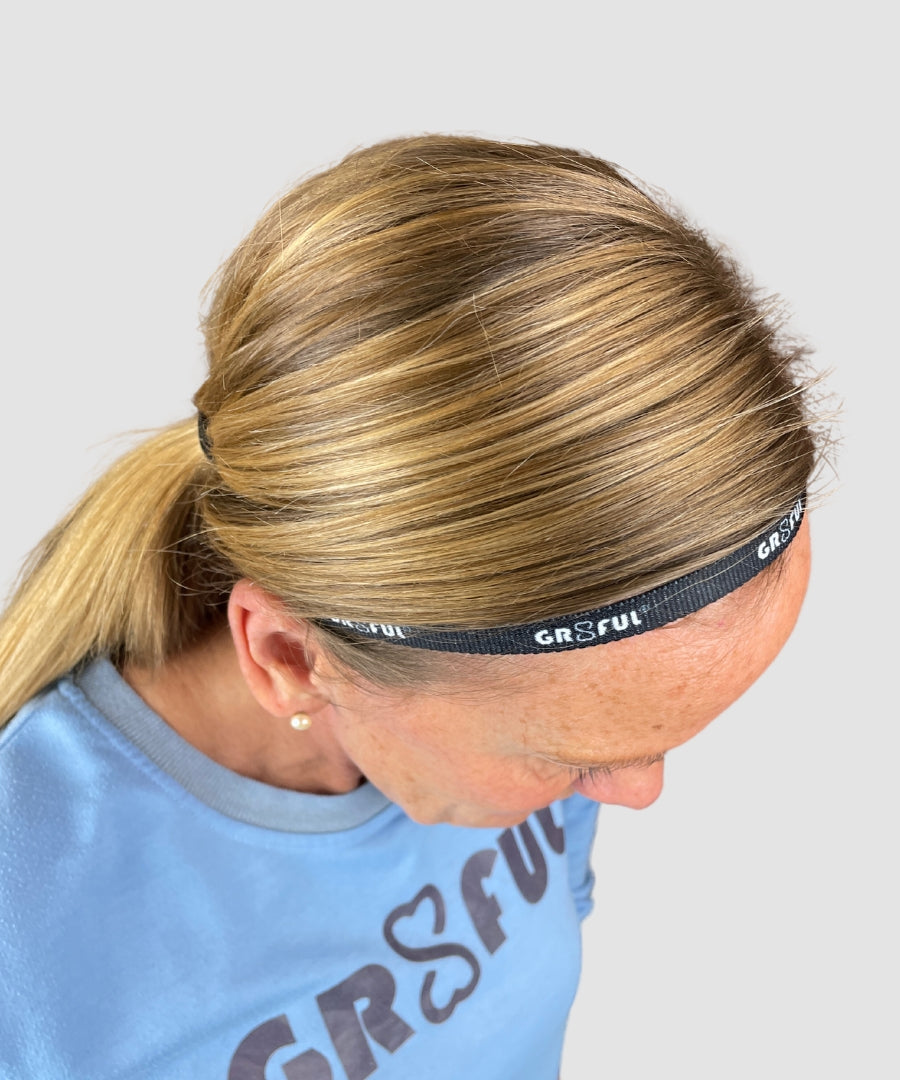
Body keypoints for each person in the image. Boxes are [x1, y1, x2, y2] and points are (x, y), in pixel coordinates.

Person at [0, 135, 816, 1080]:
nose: (640, 793)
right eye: (578, 759)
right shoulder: (31, 939)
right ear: (288, 659)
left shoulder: (551, 697)